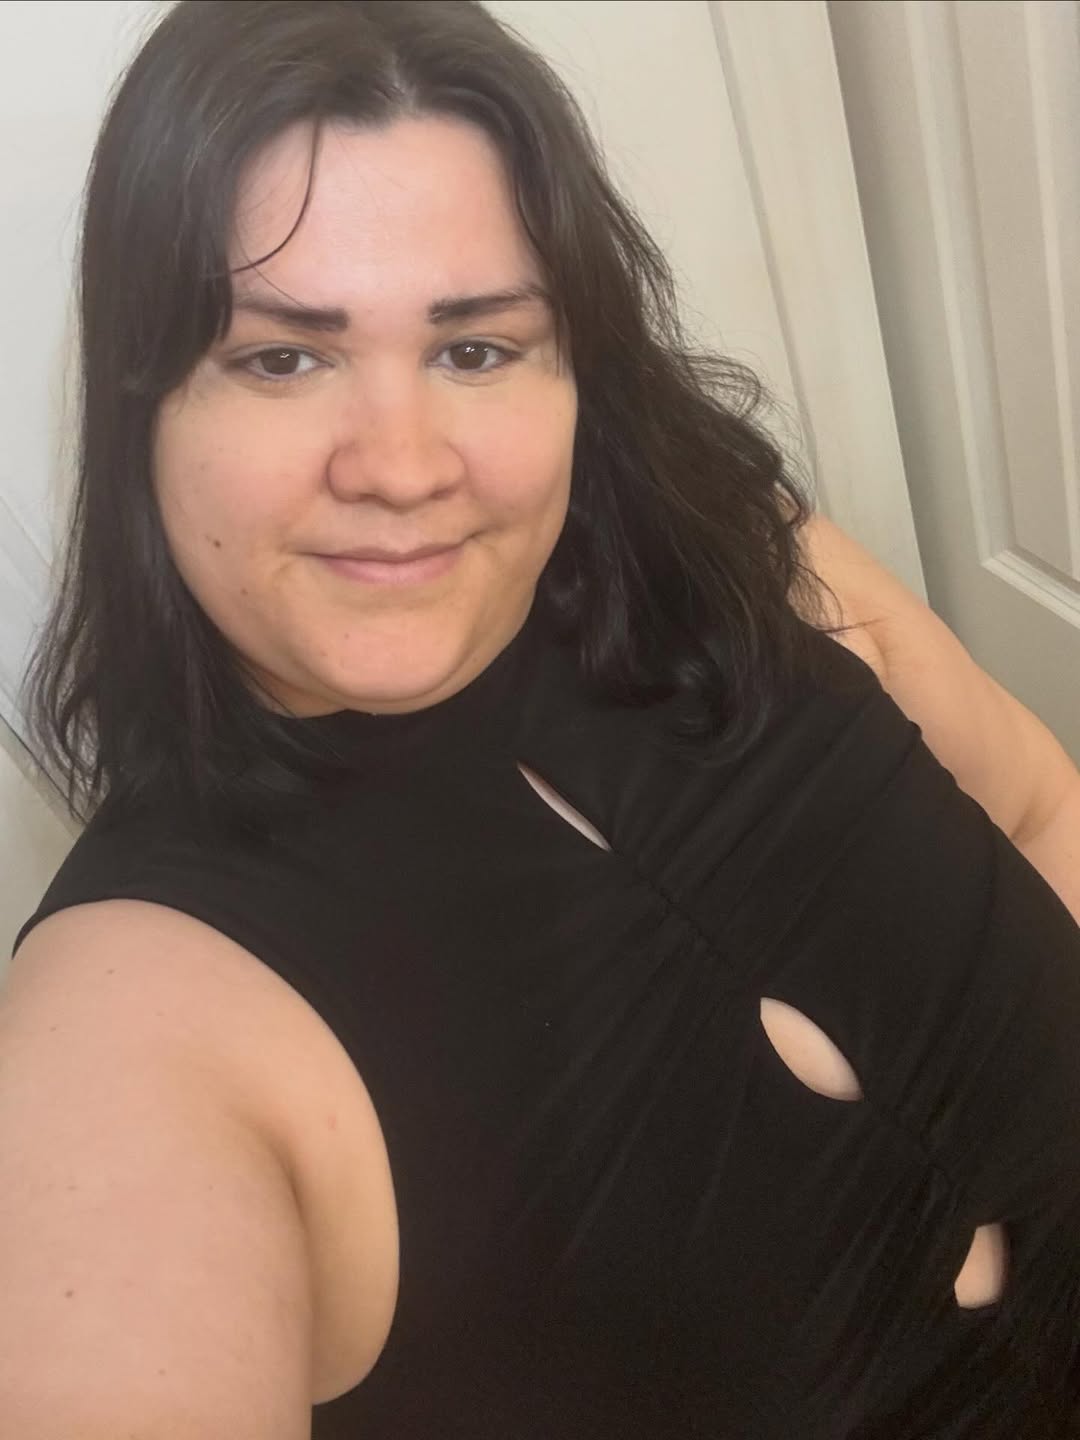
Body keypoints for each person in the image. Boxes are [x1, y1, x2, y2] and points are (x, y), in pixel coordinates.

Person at [2, 2, 1079, 1435]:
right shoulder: (132, 1029)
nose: (400, 467)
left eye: (475, 348)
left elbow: (1040, 806)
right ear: (144, 408)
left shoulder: (733, 555)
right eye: (281, 358)